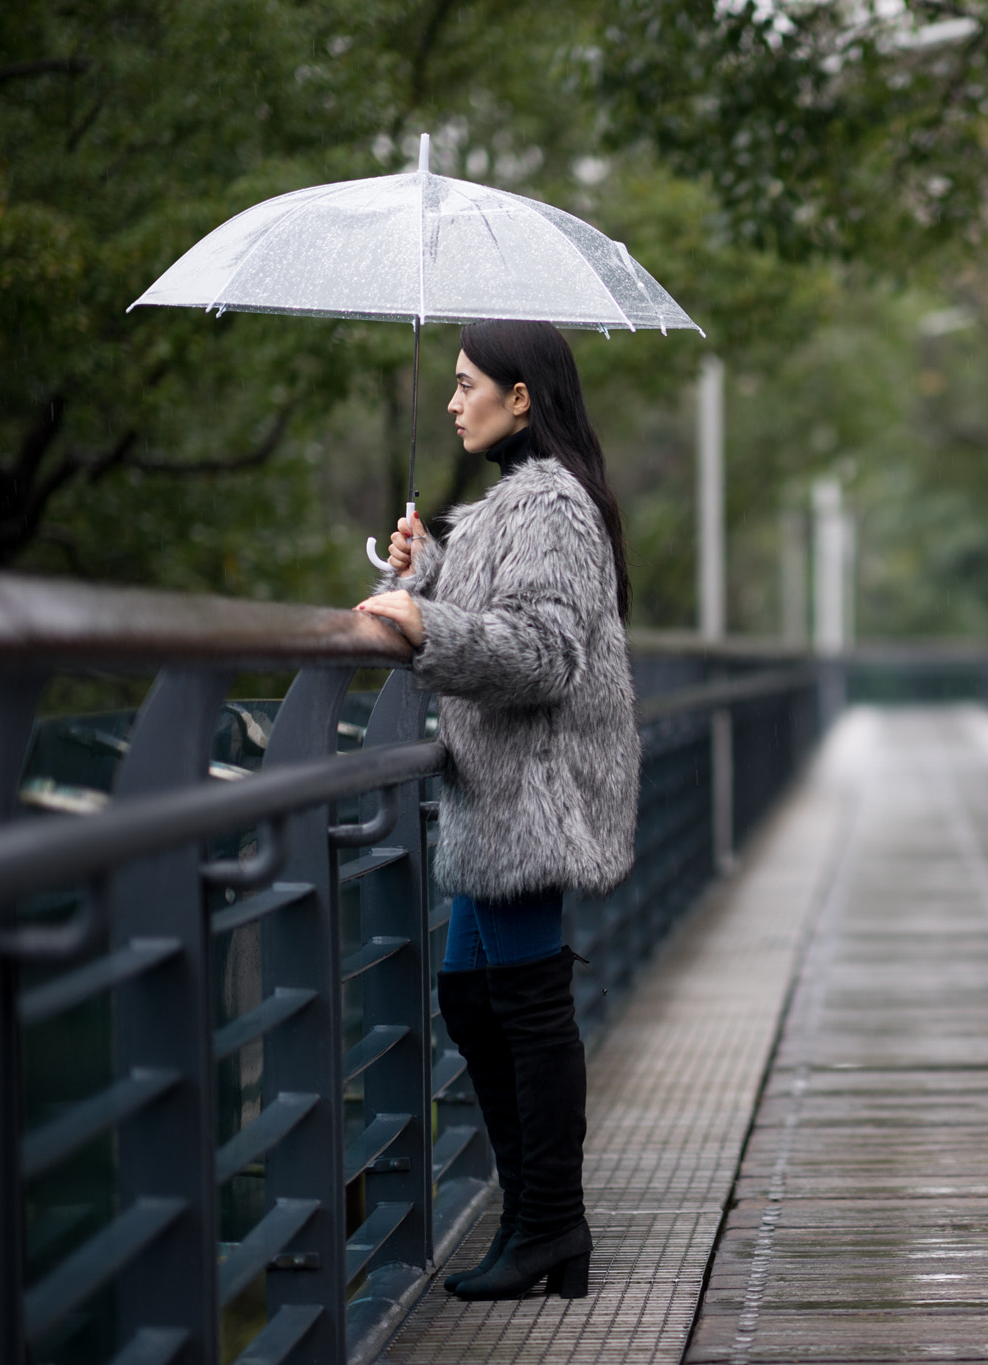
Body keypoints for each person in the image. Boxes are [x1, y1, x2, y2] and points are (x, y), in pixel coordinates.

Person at [355, 319, 639, 1302]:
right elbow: (496, 617)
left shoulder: (551, 504)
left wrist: (427, 619)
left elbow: (544, 652)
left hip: (535, 789)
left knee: (518, 1004)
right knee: (473, 1000)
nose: (451, 399)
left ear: (521, 397)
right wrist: (425, 571)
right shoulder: (504, 508)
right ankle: (535, 1220)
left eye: (467, 382)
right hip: (499, 788)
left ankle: (553, 1227)